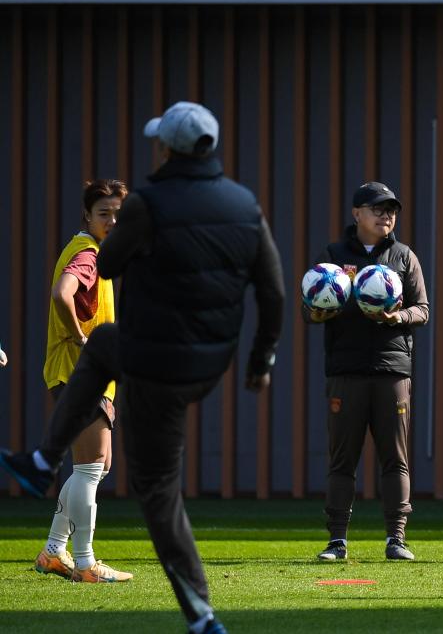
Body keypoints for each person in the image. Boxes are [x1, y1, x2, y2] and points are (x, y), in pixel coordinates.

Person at [0, 101, 285, 634]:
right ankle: (53, 519)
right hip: (209, 362)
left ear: (168, 148)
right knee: (105, 350)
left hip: (155, 360)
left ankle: (42, 461)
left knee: (156, 488)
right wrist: (260, 360)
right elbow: (273, 292)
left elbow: (109, 263)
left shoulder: (148, 202)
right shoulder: (245, 205)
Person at [305, 181, 429, 562]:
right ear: (356, 213)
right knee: (342, 460)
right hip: (346, 371)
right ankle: (336, 541)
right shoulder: (333, 256)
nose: (386, 216)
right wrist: (317, 313)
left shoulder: (404, 257)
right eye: (378, 209)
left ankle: (396, 539)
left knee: (395, 458)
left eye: (391, 210)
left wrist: (397, 317)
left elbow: (423, 309)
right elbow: (310, 308)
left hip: (392, 371)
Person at [35, 179, 131, 583]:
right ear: (86, 216)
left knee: (97, 466)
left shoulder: (95, 252)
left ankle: (53, 551)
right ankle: (86, 562)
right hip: (79, 372)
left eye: (118, 215)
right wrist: (79, 337)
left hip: (84, 374)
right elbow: (63, 293)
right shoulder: (88, 254)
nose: (112, 221)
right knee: (90, 468)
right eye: (103, 214)